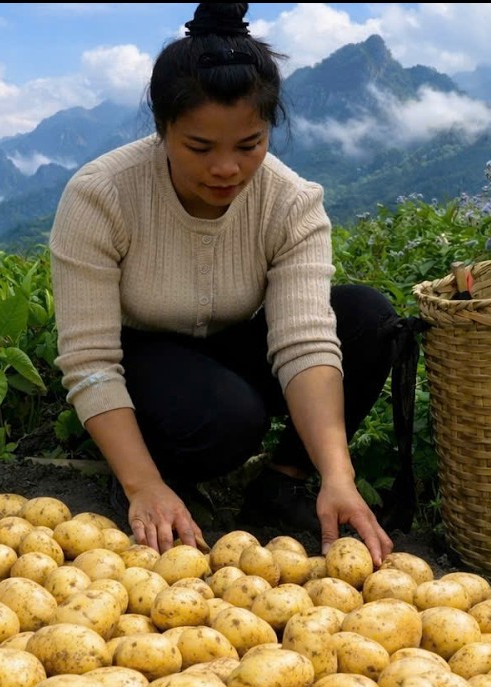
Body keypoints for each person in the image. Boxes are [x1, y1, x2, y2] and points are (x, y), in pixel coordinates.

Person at [48, 2, 401, 566]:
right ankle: (150, 474)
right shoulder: (101, 195)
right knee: (226, 419)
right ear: (162, 129)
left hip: (233, 343)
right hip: (144, 360)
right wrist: (143, 485)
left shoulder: (290, 203)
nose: (226, 169)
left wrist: (339, 475)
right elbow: (90, 361)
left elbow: (305, 341)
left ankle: (284, 482)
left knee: (366, 318)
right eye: (199, 148)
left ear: (269, 129)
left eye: (248, 145)